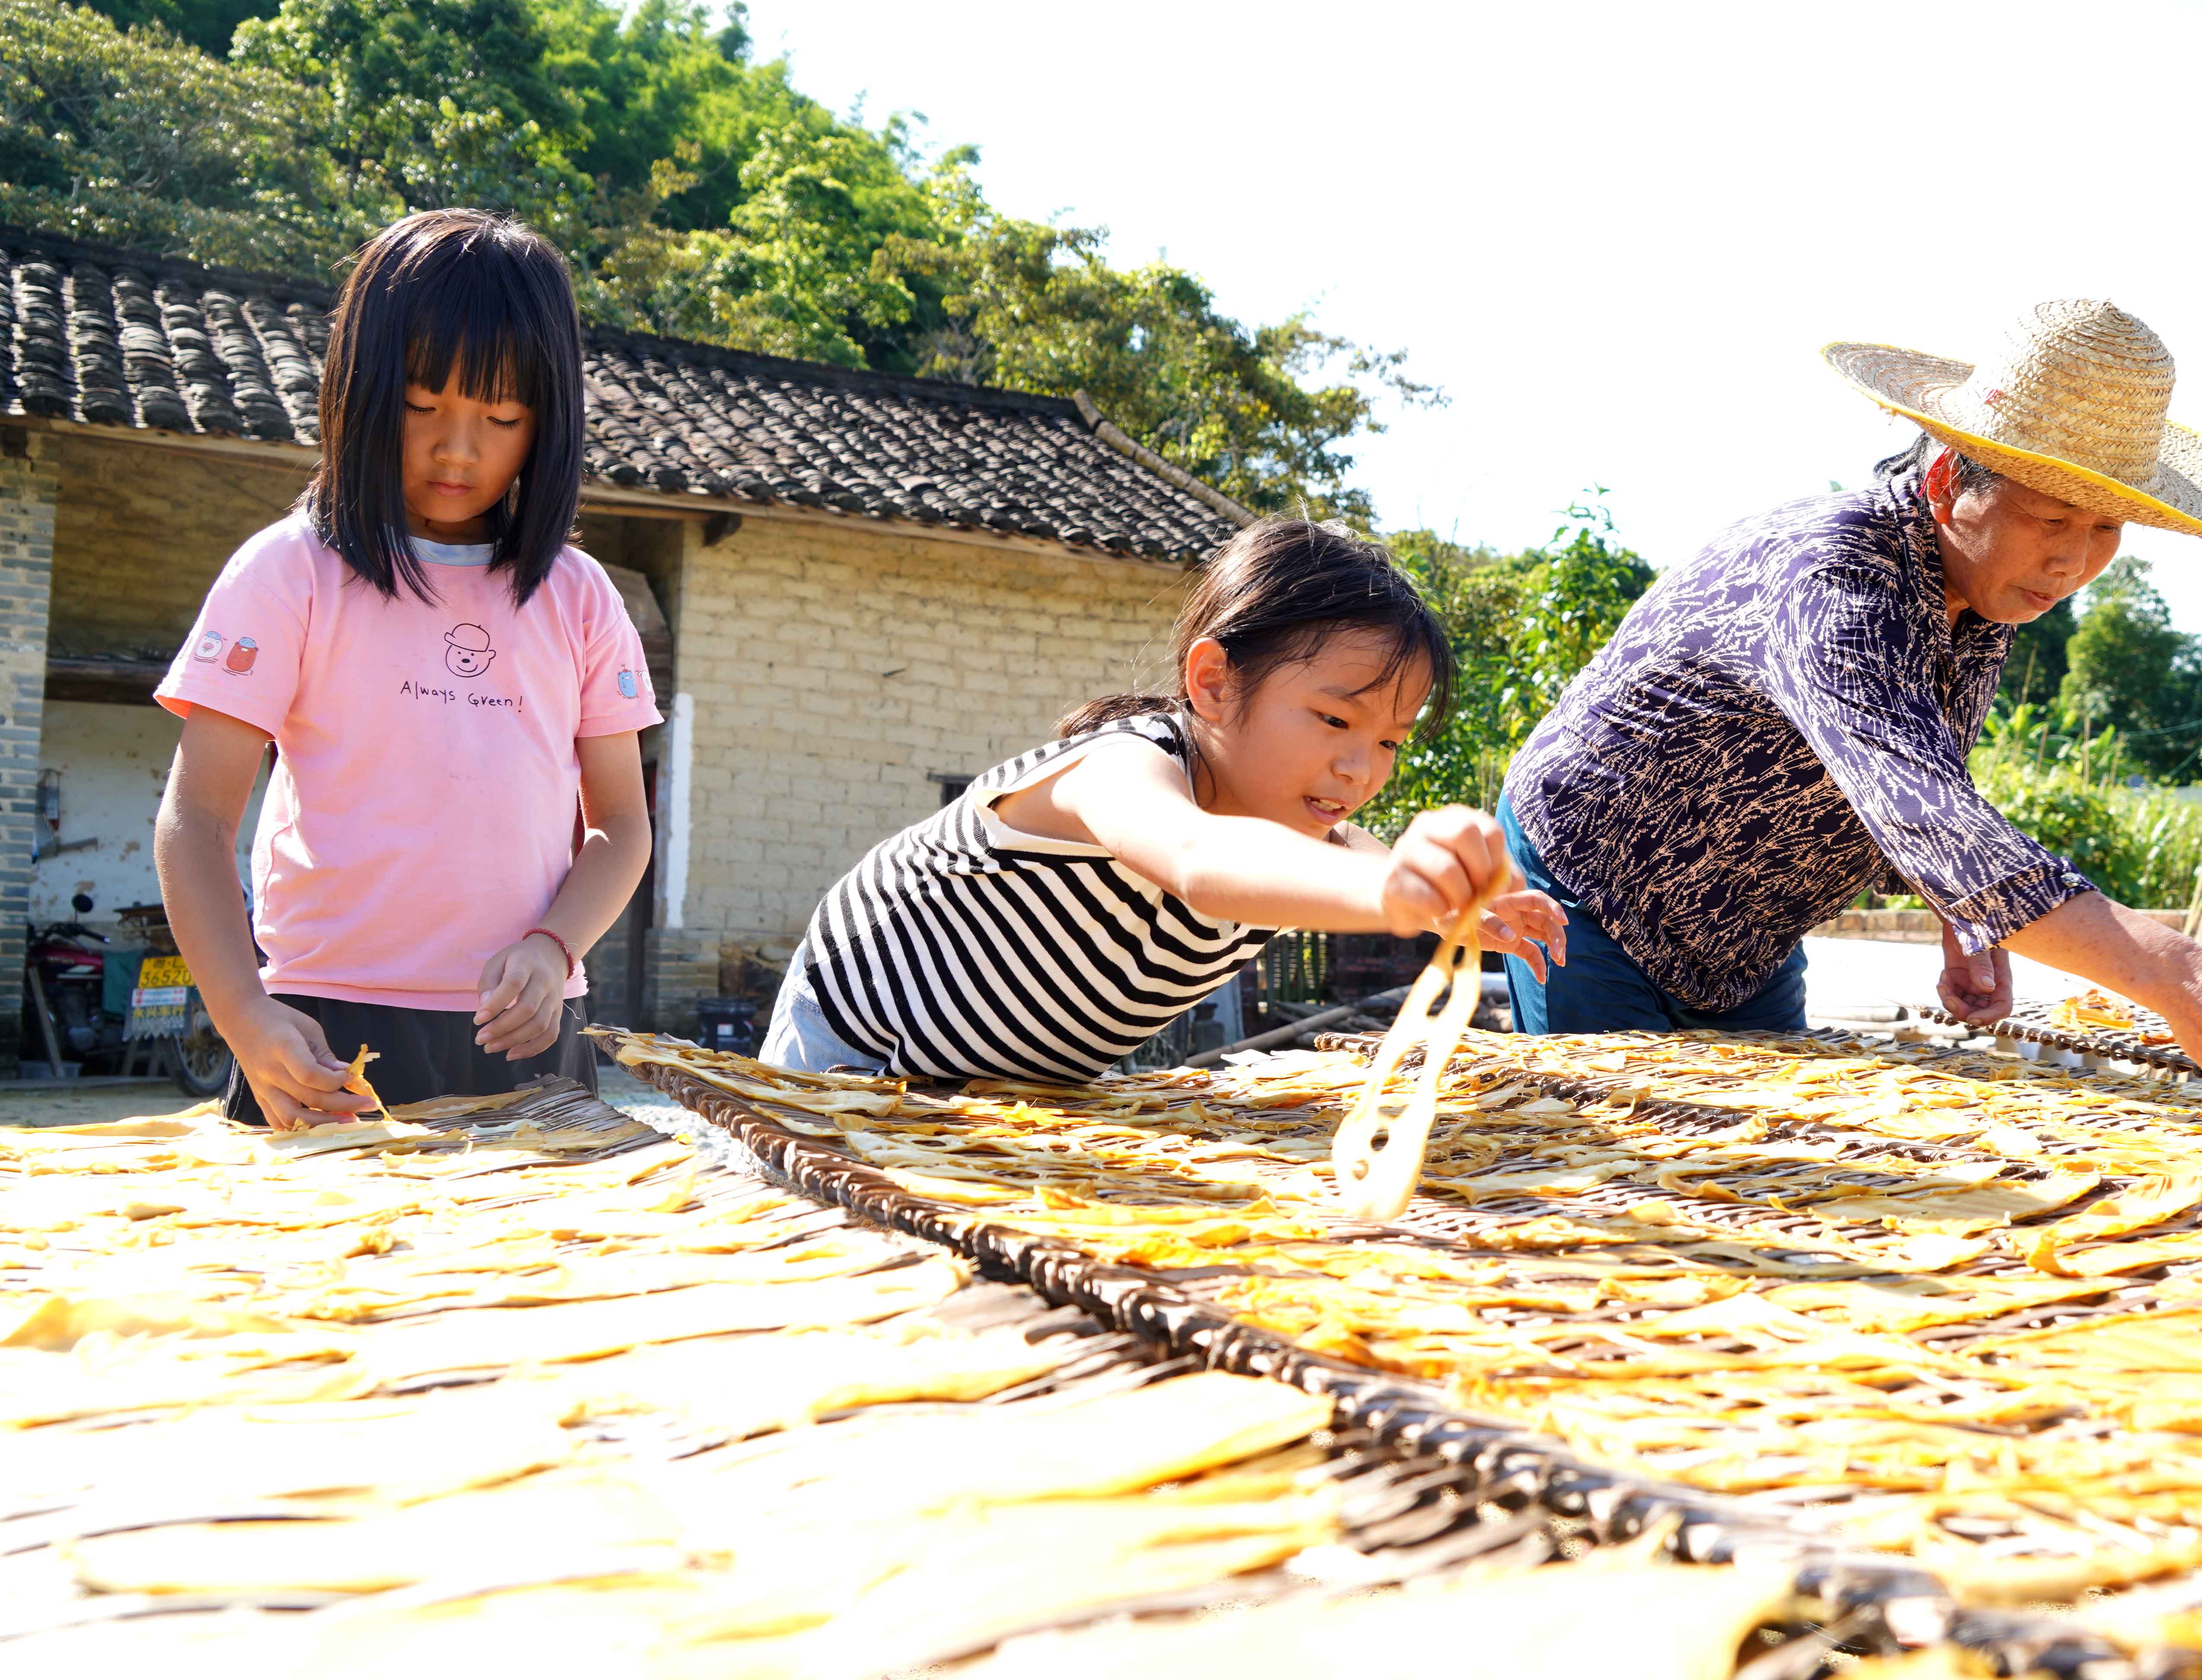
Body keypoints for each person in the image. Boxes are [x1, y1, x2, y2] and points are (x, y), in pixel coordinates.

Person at [1498, 300, 2202, 1130]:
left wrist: (1962, 911)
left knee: (1760, 1140)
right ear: (1947, 484)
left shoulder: (1984, 594)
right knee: (1629, 1149)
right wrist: (2192, 981)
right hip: (1593, 887)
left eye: (2105, 527)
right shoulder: (1835, 576)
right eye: (2052, 517)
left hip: (1747, 935)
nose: (2073, 560)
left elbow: (1923, 767)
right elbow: (1918, 805)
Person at [153, 209, 660, 1129]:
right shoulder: (288, 572)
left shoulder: (581, 597)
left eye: (501, 417)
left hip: (527, 1026)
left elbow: (621, 825)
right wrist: (245, 1015)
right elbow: (195, 819)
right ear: (361, 389)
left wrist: (555, 947)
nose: (457, 448)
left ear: (547, 424)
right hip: (321, 1030)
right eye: (423, 405)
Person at [765, 518, 1568, 1081]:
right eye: (1334, 720)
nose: (1361, 769)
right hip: (853, 1042)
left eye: (1391, 741)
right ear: (1213, 682)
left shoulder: (1296, 829)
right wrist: (1395, 889)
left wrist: (1447, 901)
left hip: (1015, 1086)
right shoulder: (1119, 768)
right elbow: (1198, 859)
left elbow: (1359, 855)